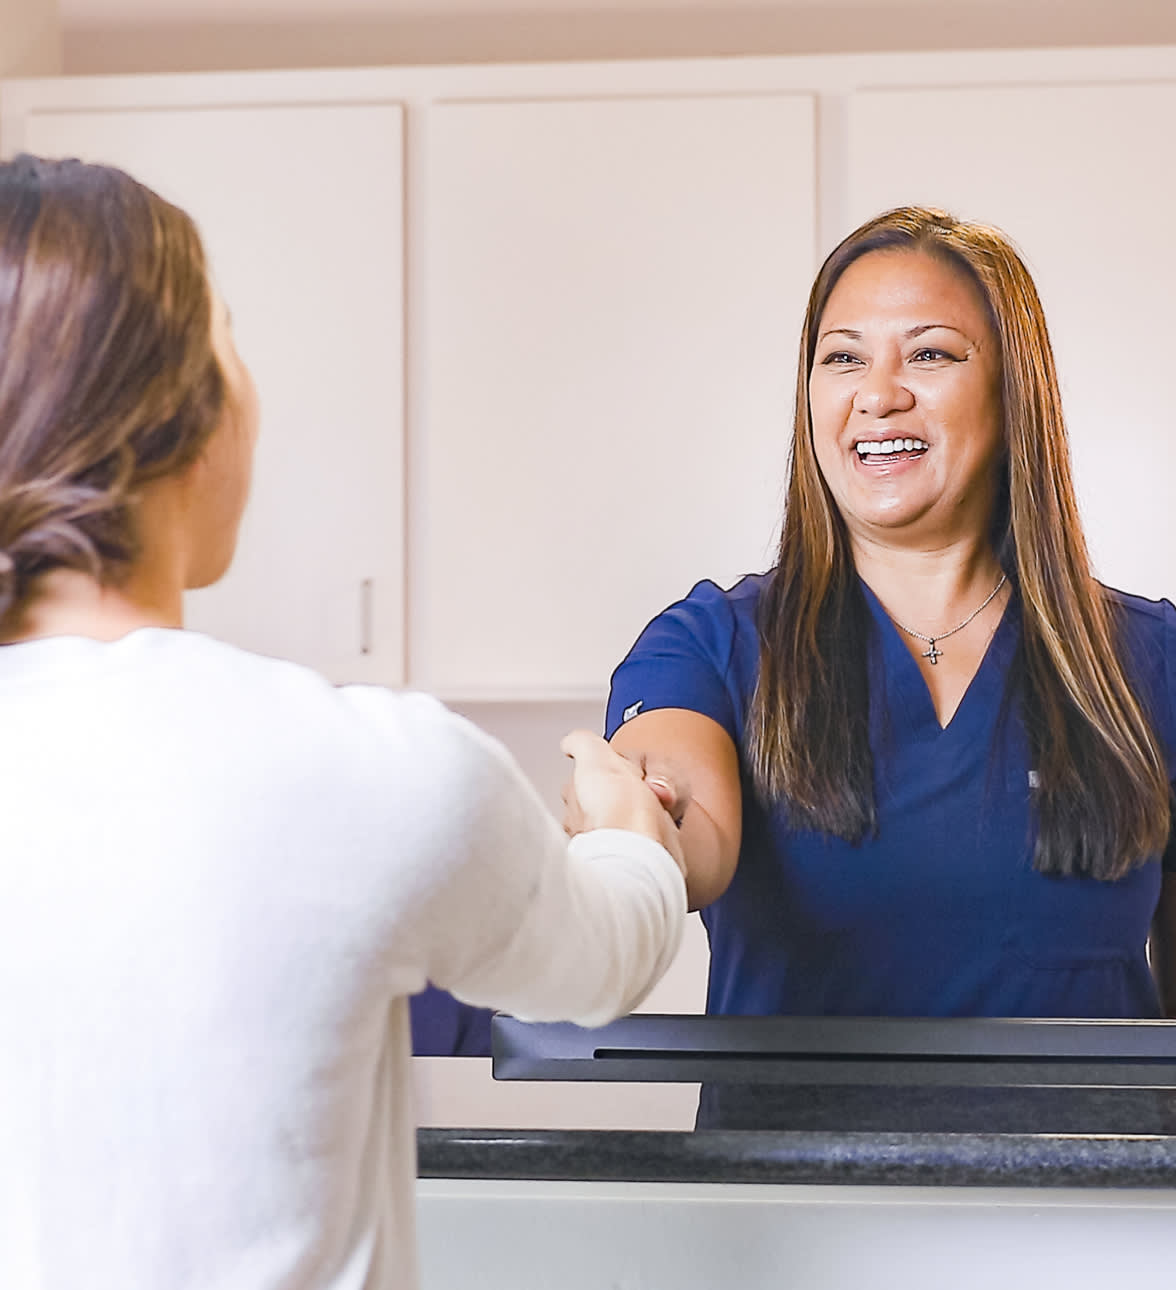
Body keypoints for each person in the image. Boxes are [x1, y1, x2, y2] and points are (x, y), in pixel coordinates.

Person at [0, 155, 687, 1289]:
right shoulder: (370, 774)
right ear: (186, 413)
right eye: (228, 337)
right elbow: (598, 962)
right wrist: (629, 836)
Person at [605, 206, 1176, 1117]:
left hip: (1089, 1228)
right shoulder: (712, 645)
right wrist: (634, 829)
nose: (878, 393)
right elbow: (681, 833)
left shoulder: (1150, 663)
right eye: (842, 358)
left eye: (932, 354)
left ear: (1012, 392)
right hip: (797, 1235)